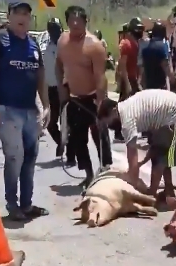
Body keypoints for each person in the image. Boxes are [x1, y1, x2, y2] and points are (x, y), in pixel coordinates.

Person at [0, 1, 50, 220]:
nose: (22, 17)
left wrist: (46, 105)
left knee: (30, 157)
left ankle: (27, 204)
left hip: (30, 110)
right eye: (17, 13)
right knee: (14, 156)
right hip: (7, 109)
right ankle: (12, 204)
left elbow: (40, 76)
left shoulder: (33, 44)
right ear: (9, 16)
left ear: (30, 18)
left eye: (26, 14)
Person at [98, 89, 176, 199]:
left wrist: (131, 184)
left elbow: (132, 157)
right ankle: (168, 191)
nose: (109, 126)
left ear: (114, 110)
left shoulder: (127, 120)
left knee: (162, 156)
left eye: (107, 122)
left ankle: (152, 195)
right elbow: (153, 147)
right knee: (161, 153)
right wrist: (142, 162)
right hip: (169, 115)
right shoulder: (127, 107)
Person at [55, 5, 112, 182]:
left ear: (85, 21)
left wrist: (101, 101)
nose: (75, 23)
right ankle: (88, 173)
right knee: (78, 139)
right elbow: (58, 65)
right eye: (71, 19)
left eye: (78, 20)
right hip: (74, 98)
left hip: (93, 97)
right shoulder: (62, 41)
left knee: (100, 135)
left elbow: (100, 76)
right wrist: (61, 88)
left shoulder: (94, 45)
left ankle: (106, 169)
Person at [115, 17, 144, 142]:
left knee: (133, 107)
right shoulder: (126, 43)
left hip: (133, 78)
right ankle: (118, 132)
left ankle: (129, 130)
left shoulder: (135, 42)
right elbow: (122, 65)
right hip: (128, 78)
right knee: (123, 108)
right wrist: (126, 83)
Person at [42, 17, 66, 158]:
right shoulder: (46, 45)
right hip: (51, 89)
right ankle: (61, 143)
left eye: (56, 28)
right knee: (51, 124)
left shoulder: (66, 44)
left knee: (67, 123)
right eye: (52, 29)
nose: (55, 32)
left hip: (65, 88)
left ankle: (70, 152)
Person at [140, 21, 174, 90]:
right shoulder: (162, 46)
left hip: (149, 84)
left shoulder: (146, 48)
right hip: (160, 84)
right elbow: (165, 65)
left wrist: (142, 82)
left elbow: (143, 67)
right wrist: (171, 77)